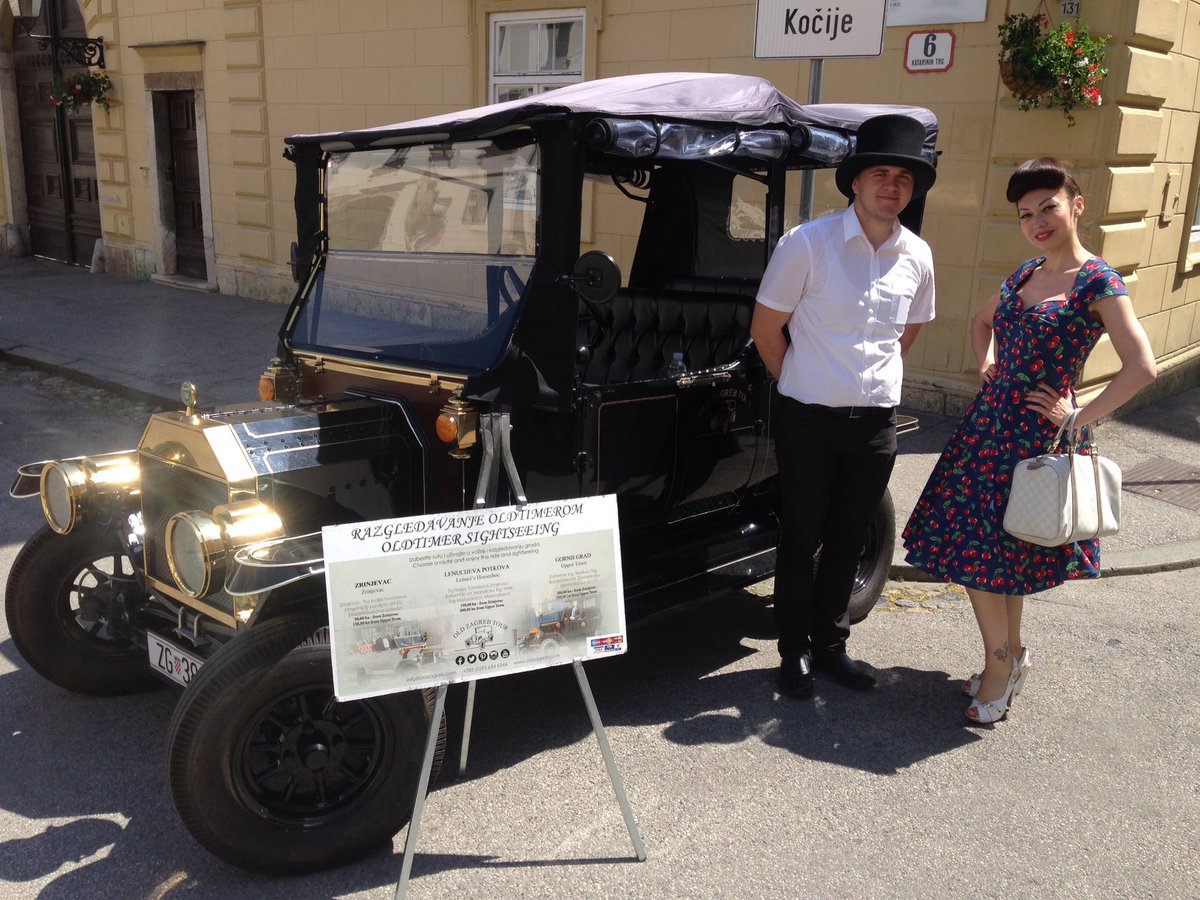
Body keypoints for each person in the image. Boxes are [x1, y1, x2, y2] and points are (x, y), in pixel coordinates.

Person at [902, 157, 1157, 725]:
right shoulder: (1023, 273)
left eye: (1048, 207)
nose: (1037, 221)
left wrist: (1079, 415)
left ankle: (998, 669)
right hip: (987, 431)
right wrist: (988, 363)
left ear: (1076, 205)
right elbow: (980, 321)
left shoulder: (1099, 281)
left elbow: (1142, 367)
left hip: (1036, 439)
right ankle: (1010, 657)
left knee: (989, 560)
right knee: (993, 559)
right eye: (1025, 214)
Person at [751, 114, 937, 699]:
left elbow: (905, 334)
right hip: (808, 418)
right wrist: (804, 382)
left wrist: (863, 387)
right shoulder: (807, 245)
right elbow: (766, 329)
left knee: (850, 534)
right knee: (802, 536)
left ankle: (832, 647)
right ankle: (792, 654)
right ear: (855, 182)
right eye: (879, 173)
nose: (892, 185)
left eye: (904, 177)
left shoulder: (918, 256)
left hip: (876, 423)